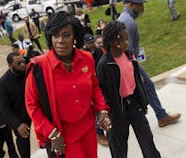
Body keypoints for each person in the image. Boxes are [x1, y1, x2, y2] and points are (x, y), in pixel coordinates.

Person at [25, 11, 111, 158]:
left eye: (66, 35)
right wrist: (51, 132)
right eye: (55, 35)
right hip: (62, 137)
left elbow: (95, 87)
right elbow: (32, 106)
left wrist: (102, 110)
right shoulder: (38, 68)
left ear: (75, 38)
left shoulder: (87, 58)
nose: (60, 40)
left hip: (88, 129)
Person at [96, 20, 161, 158]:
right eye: (123, 39)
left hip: (134, 105)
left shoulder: (129, 54)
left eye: (127, 38)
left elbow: (137, 80)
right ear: (112, 42)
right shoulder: (104, 64)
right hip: (116, 111)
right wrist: (106, 114)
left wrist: (143, 102)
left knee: (147, 140)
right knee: (118, 148)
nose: (126, 42)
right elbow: (101, 92)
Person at [118, 0, 181, 127]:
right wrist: (134, 70)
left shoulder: (125, 18)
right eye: (139, 5)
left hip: (128, 62)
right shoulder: (128, 22)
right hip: (130, 63)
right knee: (148, 87)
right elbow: (127, 49)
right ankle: (161, 116)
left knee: (143, 89)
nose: (142, 8)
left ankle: (161, 115)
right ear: (130, 5)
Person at [0, 52, 32, 158]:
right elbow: (5, 108)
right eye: (18, 63)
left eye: (23, 62)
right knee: (23, 141)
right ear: (9, 65)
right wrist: (17, 124)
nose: (23, 64)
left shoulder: (28, 71)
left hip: (36, 109)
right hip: (20, 116)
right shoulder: (3, 83)